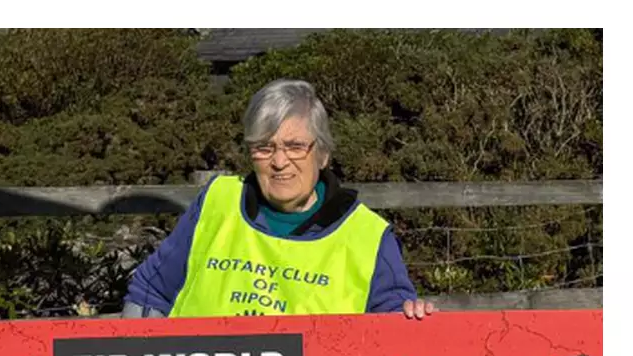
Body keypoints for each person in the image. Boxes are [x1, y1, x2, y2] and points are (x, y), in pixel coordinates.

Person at [122, 79, 434, 320]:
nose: (279, 161)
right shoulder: (217, 202)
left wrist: (411, 315)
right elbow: (150, 292)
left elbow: (393, 324)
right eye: (264, 148)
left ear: (323, 154)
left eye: (295, 146)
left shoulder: (367, 235)